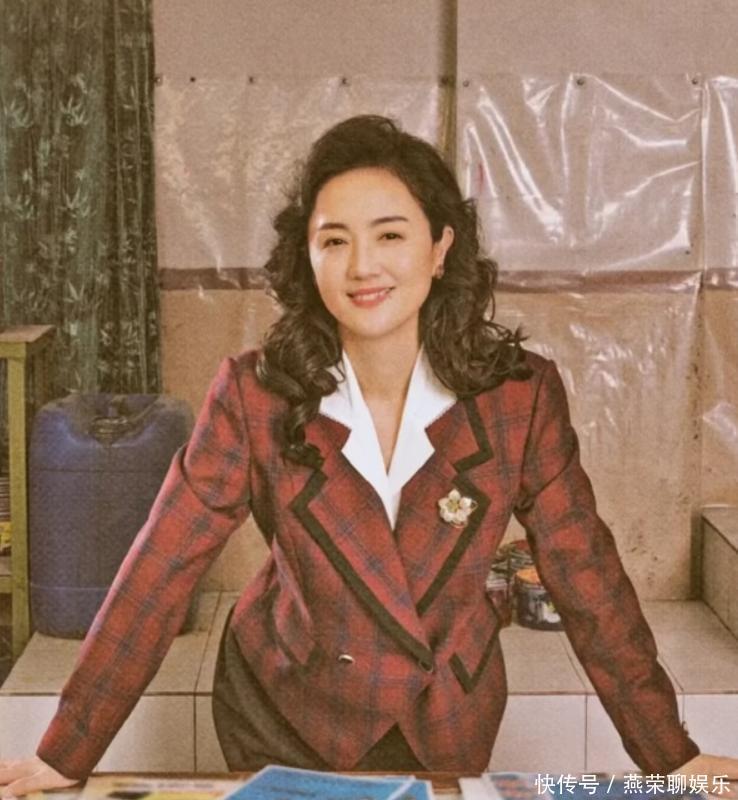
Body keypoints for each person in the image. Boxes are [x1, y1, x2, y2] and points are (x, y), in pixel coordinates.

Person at [1, 115, 737, 795]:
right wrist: (65, 752)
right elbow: (160, 568)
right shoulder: (254, 395)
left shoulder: (519, 397)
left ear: (440, 247)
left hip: (444, 712)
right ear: (307, 257)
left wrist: (669, 755)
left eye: (389, 235)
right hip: (285, 708)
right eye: (334, 240)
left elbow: (587, 576)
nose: (362, 266)